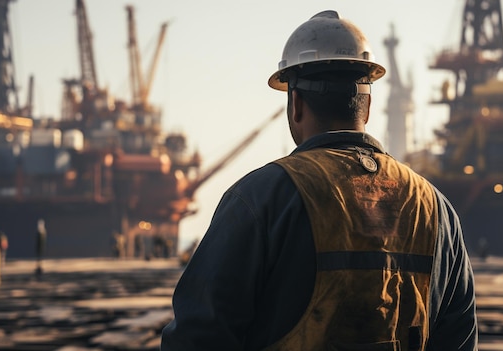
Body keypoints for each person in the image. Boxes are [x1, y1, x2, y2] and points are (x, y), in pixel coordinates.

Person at [161, 10, 477, 351]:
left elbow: (197, 336)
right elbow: (458, 338)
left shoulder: (261, 198)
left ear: (296, 103)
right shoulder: (435, 207)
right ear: (367, 106)